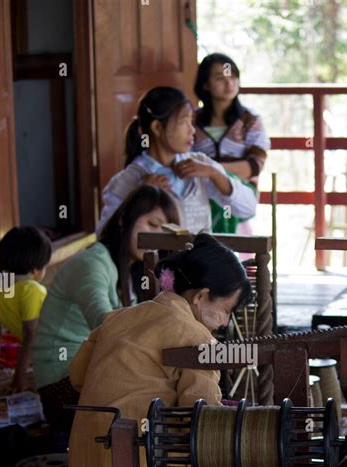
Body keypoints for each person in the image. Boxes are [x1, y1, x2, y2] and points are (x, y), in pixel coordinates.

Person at [67, 233, 252, 467]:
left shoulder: (120, 317)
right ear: (201, 296)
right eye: (226, 310)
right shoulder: (197, 337)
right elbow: (204, 420)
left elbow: (77, 376)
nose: (225, 323)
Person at [32, 185, 179, 431]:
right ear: (124, 219)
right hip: (62, 380)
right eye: (152, 225)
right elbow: (105, 323)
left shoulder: (133, 270)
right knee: (155, 399)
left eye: (164, 231)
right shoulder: (92, 263)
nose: (156, 239)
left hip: (92, 368)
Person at [96, 87, 257, 236]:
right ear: (157, 128)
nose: (192, 130)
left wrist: (216, 174)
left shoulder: (200, 165)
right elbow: (104, 235)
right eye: (184, 122)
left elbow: (248, 208)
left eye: (191, 122)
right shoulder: (128, 180)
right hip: (156, 267)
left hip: (201, 264)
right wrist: (139, 197)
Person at [193, 53, 270, 232]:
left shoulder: (250, 120)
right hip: (199, 194)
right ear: (205, 84)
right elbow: (184, 160)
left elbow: (254, 166)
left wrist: (210, 170)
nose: (229, 83)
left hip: (240, 194)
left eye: (233, 77)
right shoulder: (191, 120)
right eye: (220, 78)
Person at [0, 227, 51, 393]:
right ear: (35, 270)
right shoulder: (32, 290)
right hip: (56, 349)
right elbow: (32, 336)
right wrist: (19, 380)